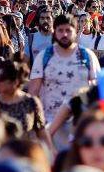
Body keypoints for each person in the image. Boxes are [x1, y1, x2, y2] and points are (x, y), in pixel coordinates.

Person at [28, 14, 100, 149]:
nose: (64, 34)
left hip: (80, 126)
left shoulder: (87, 56)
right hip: (50, 126)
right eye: (60, 30)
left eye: (68, 30)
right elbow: (33, 92)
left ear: (75, 30)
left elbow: (97, 90)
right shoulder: (44, 56)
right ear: (54, 31)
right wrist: (35, 124)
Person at [0, 60, 54, 151]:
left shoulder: (31, 102)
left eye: (1, 78)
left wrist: (51, 152)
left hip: (26, 154)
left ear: (15, 81)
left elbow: (41, 132)